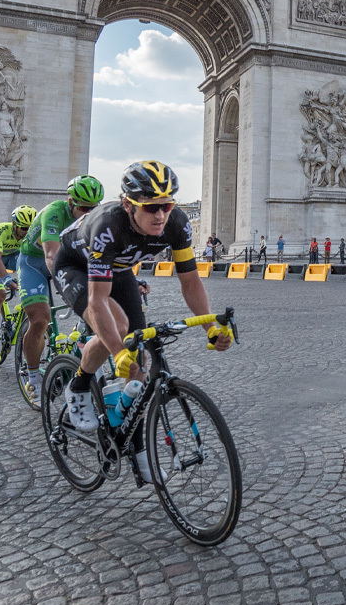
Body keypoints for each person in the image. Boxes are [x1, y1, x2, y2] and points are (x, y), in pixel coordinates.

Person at [52, 161, 232, 483]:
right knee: (119, 332)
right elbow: (97, 301)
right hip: (75, 266)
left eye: (166, 205)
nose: (160, 215)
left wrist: (211, 326)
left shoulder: (176, 224)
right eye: (151, 208)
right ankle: (78, 385)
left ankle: (140, 455)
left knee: (139, 367)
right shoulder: (108, 226)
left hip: (118, 269)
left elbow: (190, 282)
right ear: (128, 204)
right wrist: (117, 351)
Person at [17, 175, 104, 401]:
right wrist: (66, 287)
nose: (88, 214)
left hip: (68, 260)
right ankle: (33, 375)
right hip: (34, 263)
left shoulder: (93, 216)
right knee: (40, 319)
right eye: (84, 208)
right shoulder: (54, 213)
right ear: (71, 202)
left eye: (93, 209)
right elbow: (51, 255)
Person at [0, 205, 36, 359]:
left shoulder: (30, 233)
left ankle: (16, 315)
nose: (26, 232)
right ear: (14, 224)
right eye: (24, 228)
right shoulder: (1, 230)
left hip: (12, 256)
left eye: (30, 229)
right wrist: (6, 279)